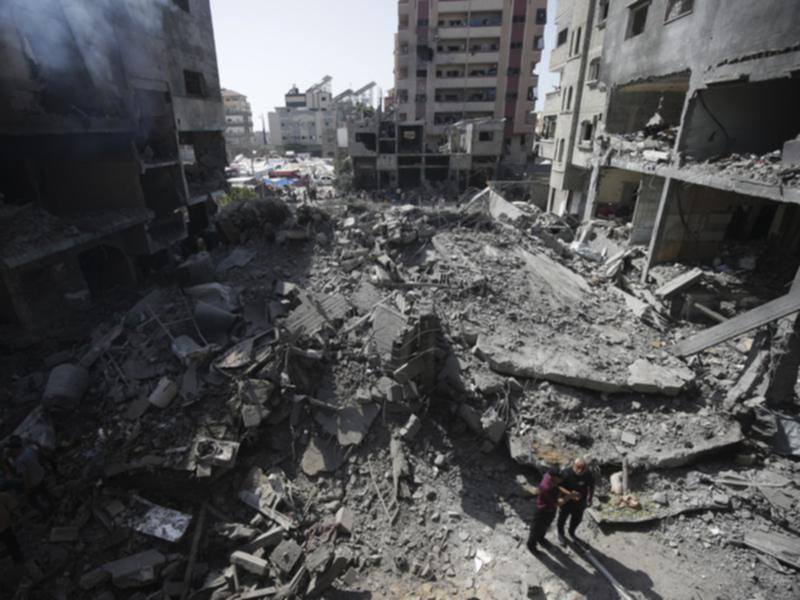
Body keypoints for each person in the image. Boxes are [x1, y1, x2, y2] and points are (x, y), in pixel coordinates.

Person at [6, 437, 51, 515]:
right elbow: (38, 458)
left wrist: (28, 488)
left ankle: (45, 512)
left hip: (34, 481)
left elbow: (25, 475)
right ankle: (52, 503)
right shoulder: (28, 450)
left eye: (12, 450)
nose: (11, 452)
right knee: (44, 491)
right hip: (40, 474)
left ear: (15, 449)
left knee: (31, 500)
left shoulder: (20, 461)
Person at [557, 457, 595, 544]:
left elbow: (591, 485)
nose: (580, 471)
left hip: (580, 503)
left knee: (577, 520)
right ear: (574, 465)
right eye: (578, 468)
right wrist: (570, 494)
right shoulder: (566, 473)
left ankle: (571, 532)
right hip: (566, 502)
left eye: (583, 469)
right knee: (562, 519)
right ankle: (560, 534)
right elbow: (559, 486)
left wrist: (590, 498)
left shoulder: (587, 474)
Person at [527, 467, 563, 556]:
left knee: (545, 526)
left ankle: (541, 538)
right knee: (536, 529)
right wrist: (570, 496)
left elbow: (558, 487)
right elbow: (556, 503)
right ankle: (531, 545)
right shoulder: (547, 487)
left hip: (550, 510)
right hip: (542, 510)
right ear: (554, 477)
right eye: (560, 477)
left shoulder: (549, 475)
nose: (562, 479)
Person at [0, 491, 23, 564]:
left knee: (9, 544)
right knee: (12, 543)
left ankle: (17, 560)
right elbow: (14, 507)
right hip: (5, 525)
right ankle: (19, 559)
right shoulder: (2, 495)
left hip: (4, 525)